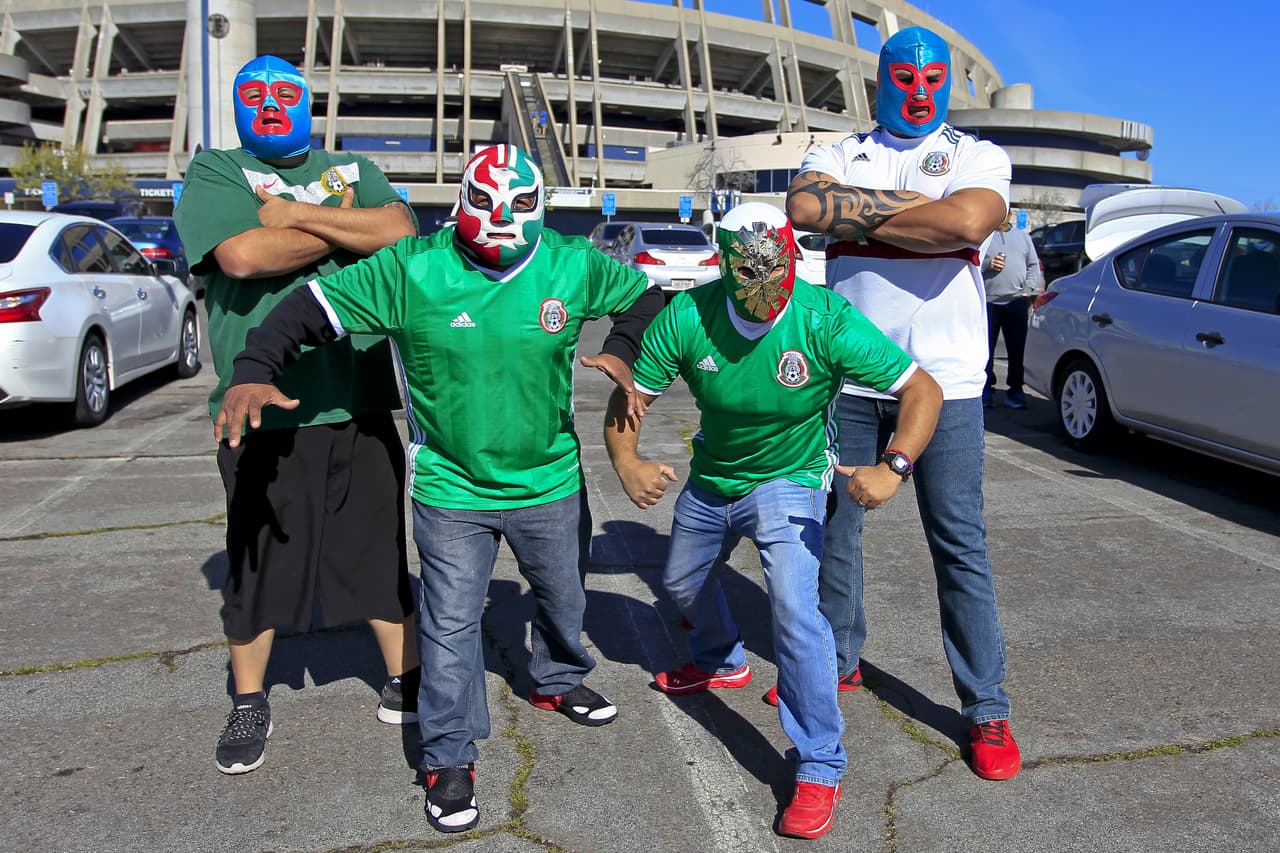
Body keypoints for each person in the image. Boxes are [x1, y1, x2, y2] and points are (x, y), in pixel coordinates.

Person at [213, 143, 665, 834]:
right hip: (452, 484)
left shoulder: (570, 261)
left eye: (518, 207)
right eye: (485, 205)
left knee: (562, 594)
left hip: (549, 476)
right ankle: (448, 756)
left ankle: (556, 676)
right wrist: (254, 364)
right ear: (460, 203)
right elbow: (308, 306)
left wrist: (625, 350)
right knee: (449, 624)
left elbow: (647, 295)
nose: (501, 225)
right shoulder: (413, 267)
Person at [603, 203, 942, 839]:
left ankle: (820, 763)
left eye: (778, 271)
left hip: (790, 478)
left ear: (792, 256)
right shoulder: (689, 315)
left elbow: (923, 390)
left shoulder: (824, 318)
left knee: (794, 611)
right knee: (679, 583)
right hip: (711, 478)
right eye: (752, 277)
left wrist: (894, 466)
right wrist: (627, 462)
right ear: (727, 269)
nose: (767, 291)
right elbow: (632, 401)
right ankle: (722, 659)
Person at [785, 25, 1023, 781]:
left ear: (946, 82)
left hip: (947, 382)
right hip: (850, 379)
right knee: (835, 535)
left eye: (932, 78)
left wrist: (860, 214)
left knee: (958, 543)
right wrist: (924, 215)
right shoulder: (837, 150)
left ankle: (985, 706)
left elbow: (968, 222)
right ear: (879, 79)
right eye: (903, 76)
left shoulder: (980, 155)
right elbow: (803, 207)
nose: (918, 90)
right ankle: (837, 663)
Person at [174, 55, 421, 777]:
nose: (273, 106)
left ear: (308, 104)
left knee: (379, 554)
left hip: (359, 400)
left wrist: (301, 216)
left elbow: (404, 232)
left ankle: (406, 680)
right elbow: (246, 255)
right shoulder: (217, 170)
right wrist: (349, 231)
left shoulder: (352, 165)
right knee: (255, 562)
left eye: (287, 95)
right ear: (239, 105)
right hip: (261, 413)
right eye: (257, 96)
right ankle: (249, 698)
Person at [980, 209, 1041, 409]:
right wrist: (988, 264)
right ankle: (986, 389)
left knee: (1017, 349)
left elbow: (1033, 265)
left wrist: (1028, 289)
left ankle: (1015, 390)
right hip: (989, 302)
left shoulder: (1023, 238)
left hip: (1016, 301)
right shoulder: (982, 236)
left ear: (1009, 216)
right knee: (984, 350)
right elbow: (972, 264)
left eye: (1002, 214)